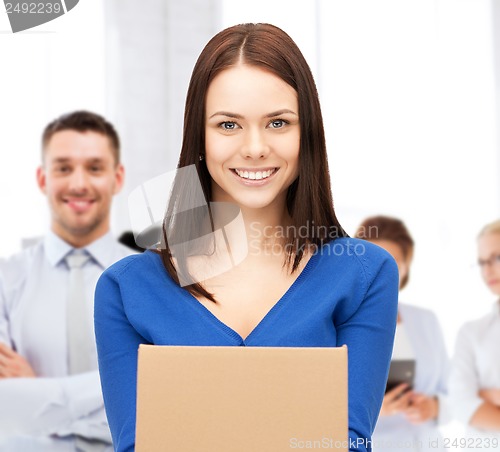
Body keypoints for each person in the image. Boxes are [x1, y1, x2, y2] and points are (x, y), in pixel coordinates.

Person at [95, 23, 399, 452]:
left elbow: (346, 443)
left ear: (306, 132)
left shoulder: (365, 274)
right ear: (199, 137)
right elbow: (137, 446)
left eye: (278, 122)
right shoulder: (125, 289)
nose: (255, 148)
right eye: (228, 125)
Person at [0, 111, 135, 451]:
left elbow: (162, 394)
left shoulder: (151, 281)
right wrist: (115, 389)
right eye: (63, 168)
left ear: (117, 178)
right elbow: (4, 409)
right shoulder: (5, 280)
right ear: (43, 178)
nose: (78, 183)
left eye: (94, 168)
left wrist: (40, 394)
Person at [355, 215, 450, 451]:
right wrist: (375, 410)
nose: (382, 273)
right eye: (373, 262)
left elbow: (453, 390)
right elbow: (319, 404)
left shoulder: (426, 320)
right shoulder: (340, 324)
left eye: (393, 263)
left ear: (406, 268)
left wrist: (435, 407)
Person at [448, 219, 500, 446]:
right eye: (481, 262)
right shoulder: (471, 332)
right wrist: (476, 396)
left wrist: (486, 394)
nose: (487, 270)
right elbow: (460, 403)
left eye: (496, 258)